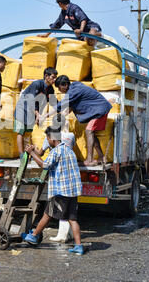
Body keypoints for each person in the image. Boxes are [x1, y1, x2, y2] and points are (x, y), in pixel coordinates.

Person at [23, 126, 84, 255]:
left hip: (61, 191)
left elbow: (44, 165)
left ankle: (33, 236)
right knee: (72, 219)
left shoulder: (56, 151)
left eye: (47, 138)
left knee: (48, 213)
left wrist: (32, 153)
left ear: (51, 139)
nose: (47, 141)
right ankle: (79, 246)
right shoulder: (69, 150)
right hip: (72, 192)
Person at [47, 75, 112, 166]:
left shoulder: (73, 91)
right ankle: (101, 157)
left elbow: (61, 104)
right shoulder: (74, 87)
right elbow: (70, 106)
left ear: (65, 85)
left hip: (100, 110)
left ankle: (89, 160)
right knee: (91, 132)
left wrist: (45, 115)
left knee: (89, 131)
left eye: (59, 87)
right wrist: (62, 115)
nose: (59, 90)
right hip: (99, 109)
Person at [14, 67, 58, 157]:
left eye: (55, 77)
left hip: (33, 111)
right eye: (53, 77)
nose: (54, 80)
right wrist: (38, 115)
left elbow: (54, 103)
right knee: (20, 132)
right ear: (46, 76)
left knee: (28, 133)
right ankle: (22, 155)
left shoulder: (50, 89)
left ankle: (28, 154)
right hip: (22, 108)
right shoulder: (36, 84)